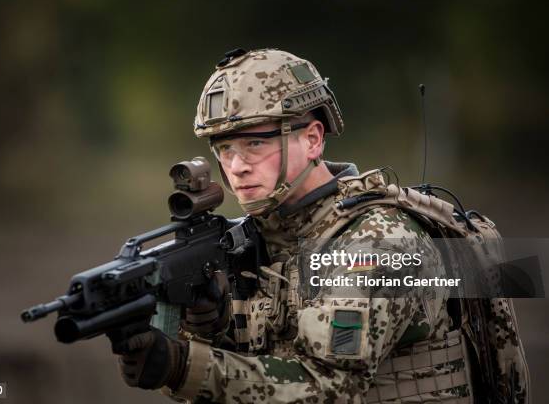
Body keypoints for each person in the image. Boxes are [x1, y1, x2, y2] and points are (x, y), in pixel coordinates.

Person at [113, 48, 529, 403]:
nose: (237, 167)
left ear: (313, 139)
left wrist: (182, 365)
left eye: (255, 143)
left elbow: (329, 389)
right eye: (225, 149)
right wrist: (210, 327)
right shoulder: (254, 240)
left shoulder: (379, 241)